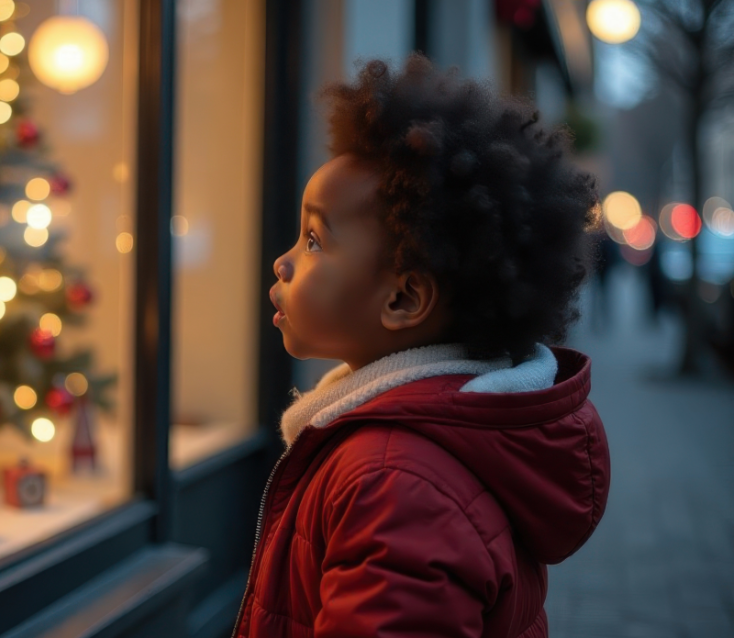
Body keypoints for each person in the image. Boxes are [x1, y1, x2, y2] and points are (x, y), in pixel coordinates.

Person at [234, 56, 610, 638]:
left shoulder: (394, 487)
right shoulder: (406, 456)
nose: (282, 260)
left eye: (313, 239)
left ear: (405, 299)